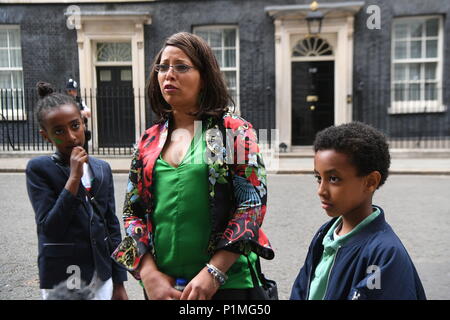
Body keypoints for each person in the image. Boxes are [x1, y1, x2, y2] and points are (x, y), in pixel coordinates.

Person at [111, 32, 274, 300]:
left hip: (227, 286)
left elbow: (252, 205)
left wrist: (214, 272)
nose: (168, 74)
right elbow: (132, 212)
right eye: (163, 67)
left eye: (181, 66)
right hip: (164, 288)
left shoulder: (231, 130)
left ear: (205, 78)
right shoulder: (149, 140)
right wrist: (148, 274)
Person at [290, 122, 426, 300]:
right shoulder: (324, 235)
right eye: (318, 178)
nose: (321, 190)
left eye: (333, 178)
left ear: (370, 182)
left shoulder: (384, 254)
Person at [26, 82, 128, 300]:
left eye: (75, 126)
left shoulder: (102, 169)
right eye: (59, 131)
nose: (71, 137)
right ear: (46, 136)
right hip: (63, 279)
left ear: (83, 122)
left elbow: (111, 225)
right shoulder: (39, 170)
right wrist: (73, 178)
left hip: (101, 277)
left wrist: (119, 282)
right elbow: (49, 228)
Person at [66, 78, 91, 152]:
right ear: (68, 91)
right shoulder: (65, 101)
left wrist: (78, 113)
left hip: (82, 131)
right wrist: (81, 113)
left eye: (75, 90)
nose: (75, 92)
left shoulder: (79, 100)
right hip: (72, 132)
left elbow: (88, 113)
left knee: (84, 152)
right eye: (73, 90)